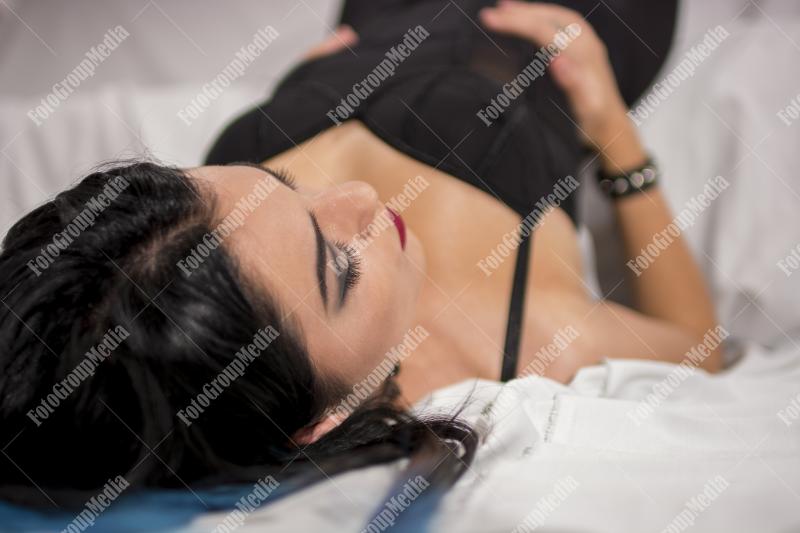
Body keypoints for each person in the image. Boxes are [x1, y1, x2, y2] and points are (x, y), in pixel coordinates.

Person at [0, 0, 721, 527]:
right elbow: (700, 346)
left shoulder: (180, 272)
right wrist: (613, 134)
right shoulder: (519, 334)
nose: (360, 197)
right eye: (341, 267)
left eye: (280, 180)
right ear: (318, 421)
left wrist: (301, 90)